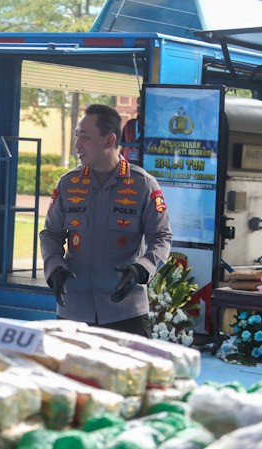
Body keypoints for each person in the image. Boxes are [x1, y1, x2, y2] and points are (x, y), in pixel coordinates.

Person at [39, 104, 171, 337]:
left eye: (85, 137)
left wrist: (141, 269)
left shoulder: (142, 184)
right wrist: (54, 267)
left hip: (126, 313)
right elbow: (51, 234)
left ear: (109, 140)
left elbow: (161, 237)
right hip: (73, 312)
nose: (77, 144)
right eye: (77, 136)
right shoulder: (68, 184)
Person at [121, 96, 143, 166]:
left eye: (142, 104)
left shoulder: (155, 128)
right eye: (138, 104)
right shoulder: (130, 123)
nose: (139, 106)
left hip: (146, 165)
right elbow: (122, 145)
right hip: (127, 165)